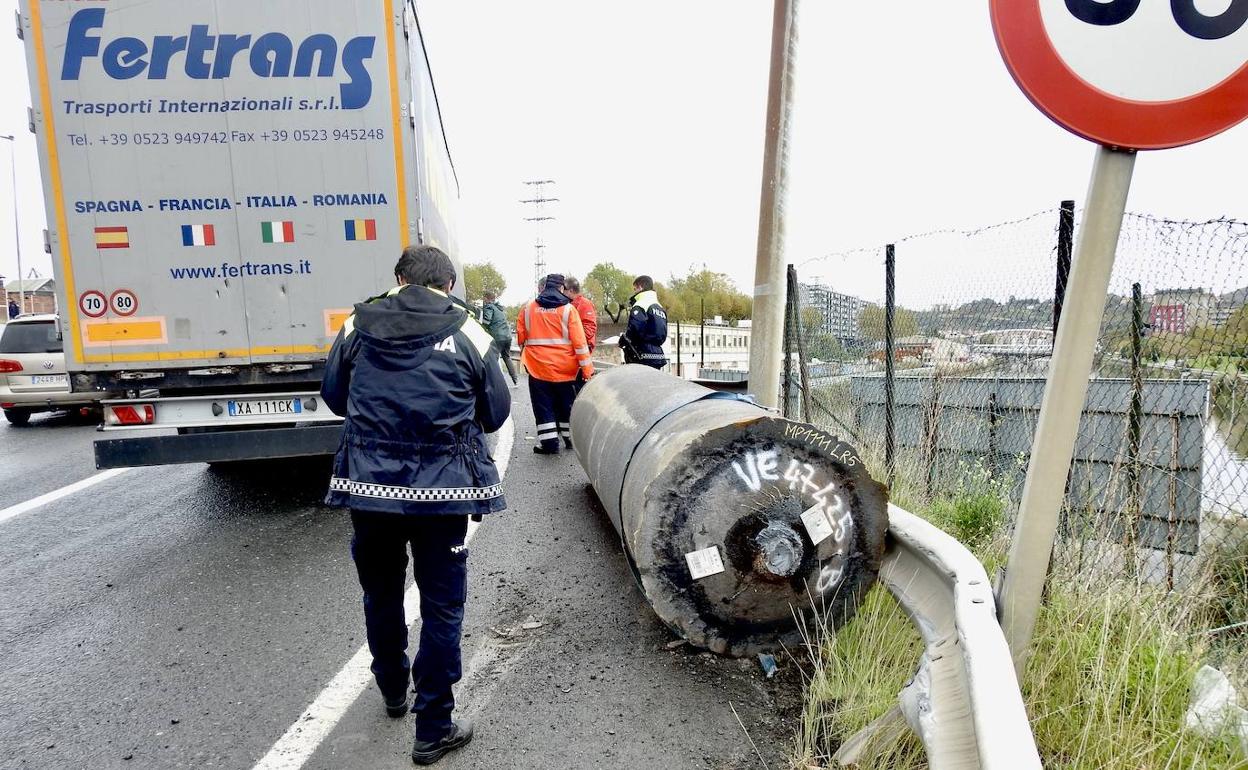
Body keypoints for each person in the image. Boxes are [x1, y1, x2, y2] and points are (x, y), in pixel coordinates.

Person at [321, 245, 510, 765]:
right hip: (444, 491)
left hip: (369, 489)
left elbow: (335, 395)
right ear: (448, 285)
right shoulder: (469, 331)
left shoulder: (355, 326)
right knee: (442, 605)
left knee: (380, 592)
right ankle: (434, 727)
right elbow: (495, 412)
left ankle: (390, 688)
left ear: (399, 278)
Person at [517, 274, 594, 453]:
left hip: (537, 368)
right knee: (566, 403)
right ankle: (570, 439)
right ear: (561, 288)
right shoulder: (568, 310)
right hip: (565, 368)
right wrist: (587, 371)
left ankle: (549, 444)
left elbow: (521, 336)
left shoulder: (528, 309)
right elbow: (580, 344)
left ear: (543, 288)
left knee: (543, 406)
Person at [620, 275, 668, 369]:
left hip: (642, 354)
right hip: (658, 355)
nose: (634, 292)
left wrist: (625, 340)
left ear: (640, 287)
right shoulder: (659, 307)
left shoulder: (640, 304)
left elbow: (635, 327)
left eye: (635, 289)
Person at [561, 276, 597, 395]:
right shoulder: (568, 305)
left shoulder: (584, 305)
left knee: (578, 392)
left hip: (580, 358)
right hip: (571, 357)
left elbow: (589, 330)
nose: (561, 292)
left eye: (563, 289)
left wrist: (571, 339)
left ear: (570, 290)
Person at [481, 291, 518, 386]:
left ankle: (496, 382)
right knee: (506, 357)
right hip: (508, 336)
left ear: (486, 298)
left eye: (484, 298)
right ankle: (515, 380)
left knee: (493, 358)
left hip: (498, 337)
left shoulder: (489, 307)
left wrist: (480, 323)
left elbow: (486, 321)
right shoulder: (499, 309)